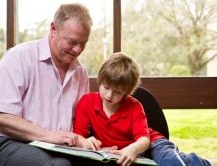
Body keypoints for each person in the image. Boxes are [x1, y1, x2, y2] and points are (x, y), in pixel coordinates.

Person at [0, 3, 92, 166]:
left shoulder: (80, 73)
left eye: (83, 43)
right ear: (53, 28)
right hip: (8, 144)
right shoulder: (19, 57)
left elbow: (81, 122)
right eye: (72, 42)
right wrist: (47, 135)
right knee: (58, 165)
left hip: (58, 148)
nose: (77, 50)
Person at [73, 52, 211, 166]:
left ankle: (204, 164)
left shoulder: (134, 106)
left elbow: (144, 139)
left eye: (117, 92)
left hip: (151, 143)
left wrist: (133, 149)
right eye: (106, 87)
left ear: (126, 92)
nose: (109, 95)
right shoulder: (86, 102)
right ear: (100, 81)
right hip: (120, 152)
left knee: (172, 162)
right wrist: (85, 141)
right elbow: (78, 135)